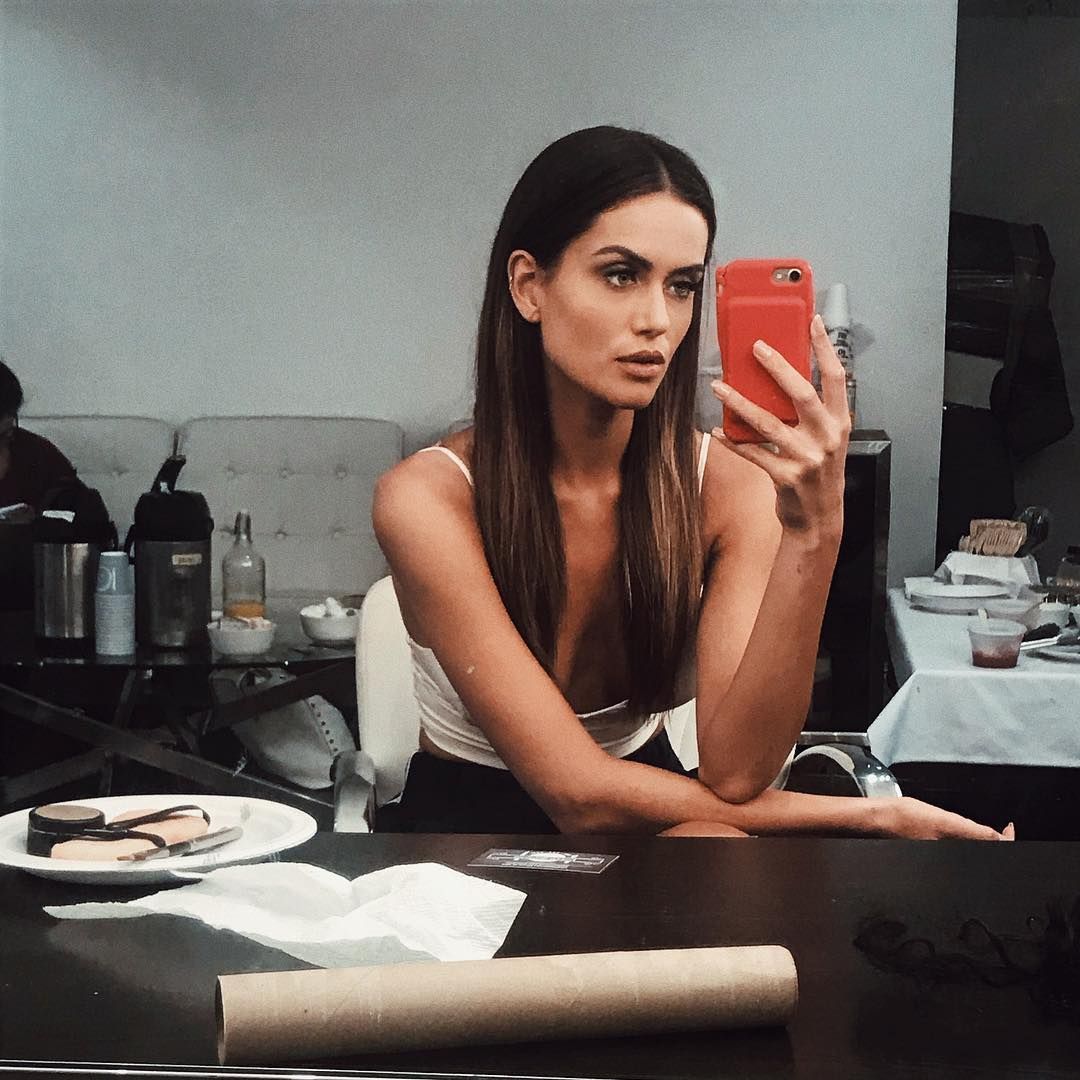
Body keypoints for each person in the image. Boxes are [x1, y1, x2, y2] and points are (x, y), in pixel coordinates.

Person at [373, 126, 1012, 841]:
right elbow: (576, 795)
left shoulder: (723, 486)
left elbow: (737, 774)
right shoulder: (429, 497)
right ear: (529, 287)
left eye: (681, 286)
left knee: (716, 839)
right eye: (621, 275)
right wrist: (876, 814)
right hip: (469, 830)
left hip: (651, 803)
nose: (658, 321)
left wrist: (816, 531)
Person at [0, 360, 77, 511]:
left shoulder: (38, 453)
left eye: (12, 413)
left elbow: (81, 508)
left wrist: (38, 521)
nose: (10, 423)